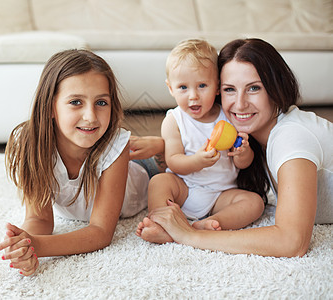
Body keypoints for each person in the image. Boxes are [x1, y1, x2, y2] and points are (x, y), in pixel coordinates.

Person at [139, 38, 333, 257]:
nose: (239, 104)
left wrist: (189, 235)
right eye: (230, 89)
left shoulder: (292, 137)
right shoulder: (256, 131)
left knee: (252, 203)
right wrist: (160, 144)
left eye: (254, 88)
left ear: (276, 87)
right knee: (157, 179)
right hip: (189, 184)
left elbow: (292, 242)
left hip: (218, 197)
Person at [0, 49, 150, 276]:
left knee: (184, 170)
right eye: (76, 102)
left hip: (145, 173)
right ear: (50, 106)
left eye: (101, 102)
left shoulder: (115, 145)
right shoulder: (30, 145)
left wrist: (40, 246)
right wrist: (26, 248)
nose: (91, 116)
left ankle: (162, 145)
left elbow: (100, 232)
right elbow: (38, 218)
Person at [136, 39, 264, 244]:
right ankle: (161, 224)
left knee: (254, 202)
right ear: (170, 88)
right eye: (183, 87)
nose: (193, 96)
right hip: (184, 189)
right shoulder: (174, 120)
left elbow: (242, 164)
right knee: (160, 181)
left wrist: (243, 152)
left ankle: (209, 224)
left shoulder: (228, 115)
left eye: (202, 85)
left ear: (217, 87)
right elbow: (173, 161)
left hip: (222, 194)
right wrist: (197, 160)